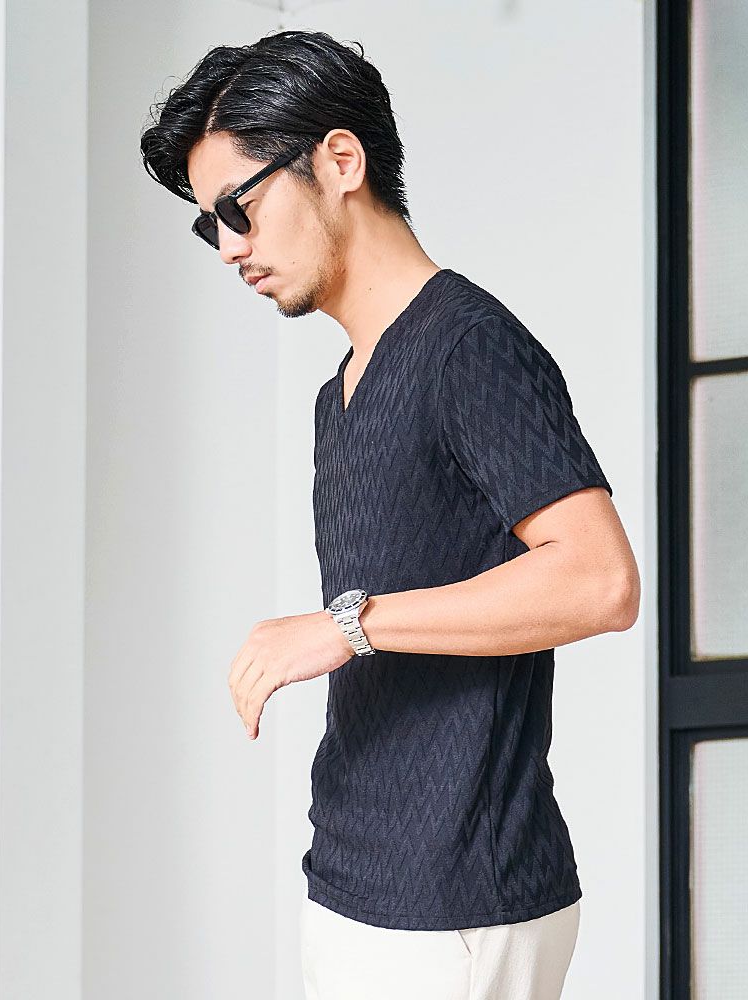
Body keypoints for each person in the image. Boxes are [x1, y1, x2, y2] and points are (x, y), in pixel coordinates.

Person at [139, 28, 640, 1000]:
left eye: (239, 207)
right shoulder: (340, 395)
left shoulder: (469, 348)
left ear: (339, 160)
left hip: (455, 904)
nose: (230, 246)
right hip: (354, 881)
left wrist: (345, 625)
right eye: (210, 227)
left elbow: (599, 580)